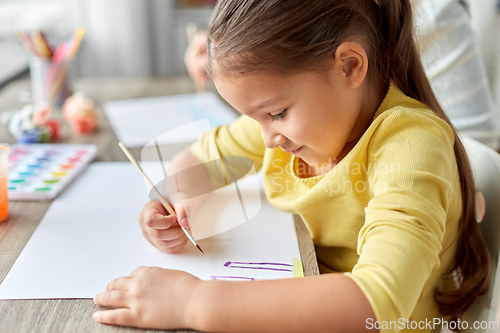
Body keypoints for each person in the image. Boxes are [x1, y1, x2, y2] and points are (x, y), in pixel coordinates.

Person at [93, 1, 491, 332]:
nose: (266, 138)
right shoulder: (296, 126)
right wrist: (177, 197)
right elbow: (204, 155)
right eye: (255, 118)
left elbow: (375, 304)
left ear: (350, 67)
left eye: (277, 113)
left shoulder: (411, 146)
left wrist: (194, 302)